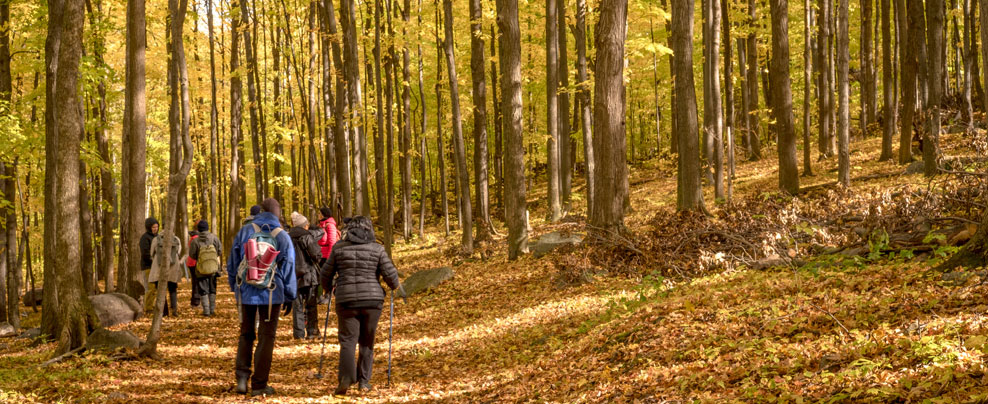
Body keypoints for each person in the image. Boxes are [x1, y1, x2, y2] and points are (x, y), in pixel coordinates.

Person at [320, 216, 405, 395]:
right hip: (372, 301)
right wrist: (395, 287)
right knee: (367, 341)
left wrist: (328, 289)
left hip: (346, 301)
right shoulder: (377, 249)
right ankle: (364, 382)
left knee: (348, 341)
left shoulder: (338, 248)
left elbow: (325, 274)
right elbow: (390, 274)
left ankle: (345, 378)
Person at [228, 198, 296, 397]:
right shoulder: (282, 235)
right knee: (266, 338)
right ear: (277, 214)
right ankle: (259, 385)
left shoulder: (246, 231)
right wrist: (290, 295)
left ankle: (241, 378)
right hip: (272, 294)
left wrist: (235, 288)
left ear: (261, 211)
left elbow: (233, 262)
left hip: (246, 291)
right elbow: (289, 266)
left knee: (246, 334)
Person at [288, 212, 325, 339]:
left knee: (297, 306)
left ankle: (298, 334)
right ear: (305, 226)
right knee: (311, 305)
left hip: (294, 276)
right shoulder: (307, 237)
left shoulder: (288, 237)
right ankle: (312, 332)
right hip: (309, 275)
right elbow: (316, 254)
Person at [189, 220, 223, 316]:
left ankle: (206, 311)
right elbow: (220, 251)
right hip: (213, 268)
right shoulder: (214, 238)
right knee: (212, 288)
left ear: (198, 229)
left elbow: (192, 254)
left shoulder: (196, 241)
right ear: (208, 228)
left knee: (203, 289)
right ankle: (212, 310)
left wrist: (200, 258)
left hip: (201, 269)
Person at [148, 230, 183, 317]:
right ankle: (174, 310)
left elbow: (151, 253)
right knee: (173, 289)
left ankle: (164, 312)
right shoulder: (176, 239)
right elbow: (178, 252)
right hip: (173, 267)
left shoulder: (156, 239)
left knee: (161, 290)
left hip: (159, 268)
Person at [139, 217, 159, 310]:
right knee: (150, 288)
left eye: (156, 227)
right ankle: (148, 308)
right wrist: (153, 261)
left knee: (156, 288)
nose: (155, 229)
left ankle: (152, 305)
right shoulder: (145, 238)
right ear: (149, 227)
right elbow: (145, 254)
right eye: (153, 227)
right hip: (148, 266)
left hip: (157, 267)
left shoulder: (158, 237)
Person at [187, 230, 202, 308]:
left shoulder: (191, 240)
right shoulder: (197, 240)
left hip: (190, 263)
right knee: (197, 283)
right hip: (195, 263)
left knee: (194, 282)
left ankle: (194, 301)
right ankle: (196, 302)